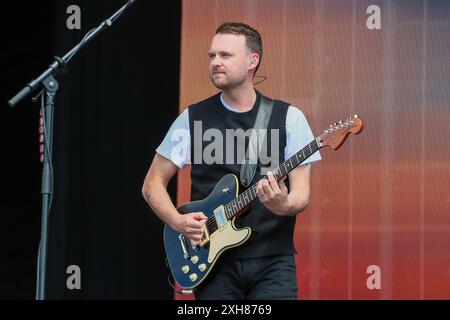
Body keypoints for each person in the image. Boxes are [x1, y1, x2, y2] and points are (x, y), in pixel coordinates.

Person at [142, 22, 321, 300]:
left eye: (225, 55)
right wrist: (178, 222)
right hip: (213, 262)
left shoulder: (289, 118)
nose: (216, 62)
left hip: (273, 260)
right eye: (212, 56)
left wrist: (283, 203)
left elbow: (301, 195)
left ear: (253, 61)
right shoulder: (192, 118)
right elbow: (152, 183)